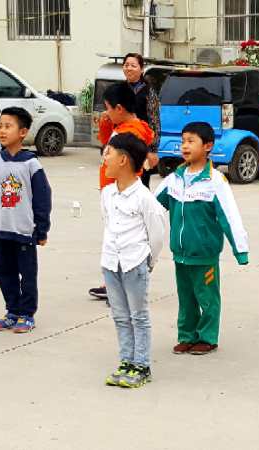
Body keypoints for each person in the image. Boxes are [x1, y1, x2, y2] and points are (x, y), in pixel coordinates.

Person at [155, 122, 249, 355]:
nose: (184, 146)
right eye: (183, 141)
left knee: (207, 298)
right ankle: (187, 336)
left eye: (191, 141)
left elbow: (230, 216)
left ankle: (207, 337)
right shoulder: (175, 179)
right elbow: (152, 207)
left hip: (205, 256)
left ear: (208, 146)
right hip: (180, 255)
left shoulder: (215, 181)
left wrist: (240, 249)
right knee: (185, 298)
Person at [101, 133, 167, 388]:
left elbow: (157, 233)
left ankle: (141, 365)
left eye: (109, 153)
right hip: (111, 263)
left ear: (123, 160)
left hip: (134, 264)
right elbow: (108, 223)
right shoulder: (107, 194)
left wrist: (148, 261)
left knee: (138, 316)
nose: (104, 158)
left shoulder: (144, 197)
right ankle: (126, 361)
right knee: (120, 315)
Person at [0, 107, 52, 334]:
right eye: (0, 126)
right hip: (3, 230)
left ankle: (27, 314)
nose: (2, 131)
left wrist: (42, 229)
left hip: (25, 231)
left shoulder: (31, 164)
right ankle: (12, 311)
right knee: (5, 273)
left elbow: (42, 197)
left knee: (28, 275)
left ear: (22, 132)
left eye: (8, 126)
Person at [88, 83, 155, 300]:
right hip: (112, 192)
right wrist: (106, 124)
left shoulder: (131, 132)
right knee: (114, 237)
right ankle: (114, 283)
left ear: (119, 108)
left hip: (122, 193)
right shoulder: (122, 127)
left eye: (107, 108)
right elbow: (105, 142)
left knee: (124, 239)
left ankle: (121, 285)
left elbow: (132, 166)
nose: (106, 112)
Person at [121, 53, 160, 187]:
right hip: (121, 144)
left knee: (141, 184)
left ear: (141, 69)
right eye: (126, 65)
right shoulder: (119, 89)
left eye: (133, 65)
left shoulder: (148, 91)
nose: (129, 68)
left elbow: (154, 121)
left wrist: (153, 149)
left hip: (141, 145)